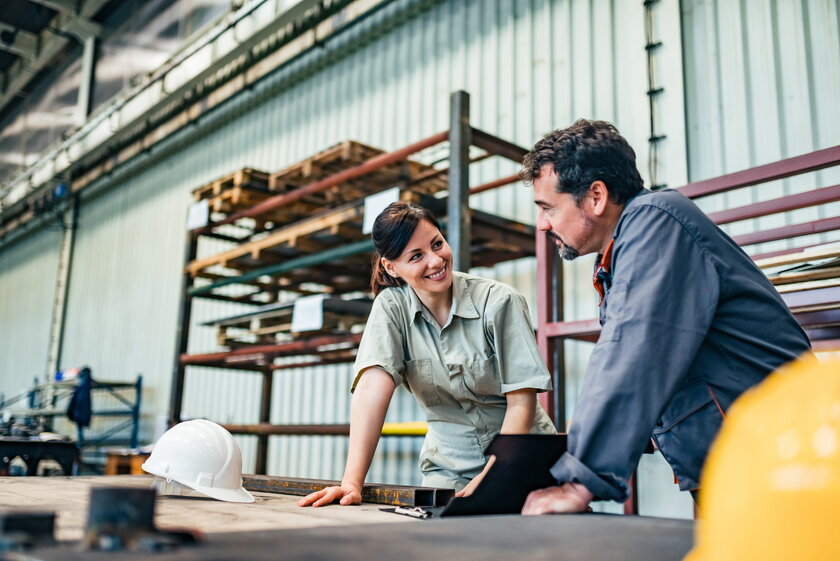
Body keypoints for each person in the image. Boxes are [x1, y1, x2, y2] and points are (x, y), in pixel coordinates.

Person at [518, 120, 812, 515]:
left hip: (776, 462)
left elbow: (633, 350)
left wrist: (580, 480)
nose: (542, 224)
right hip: (738, 464)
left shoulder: (656, 221)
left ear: (596, 197)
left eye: (547, 207)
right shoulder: (625, 248)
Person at [298, 201, 556, 507]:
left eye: (437, 244)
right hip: (449, 467)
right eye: (416, 256)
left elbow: (521, 402)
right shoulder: (391, 308)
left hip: (522, 456)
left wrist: (493, 476)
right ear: (390, 266)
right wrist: (352, 483)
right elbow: (372, 388)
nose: (436, 261)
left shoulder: (499, 302)